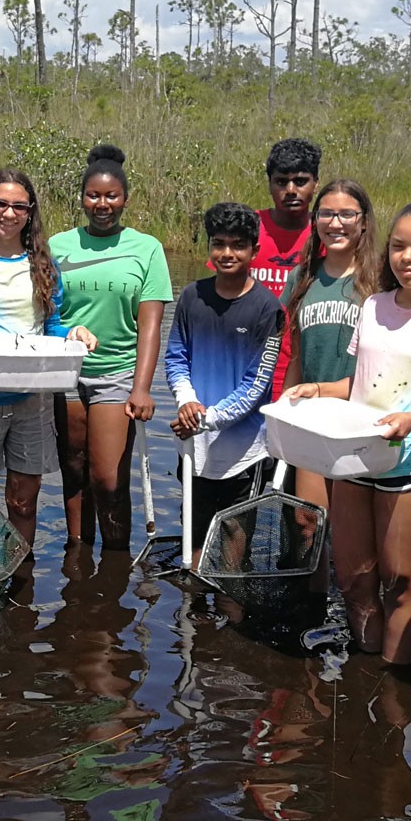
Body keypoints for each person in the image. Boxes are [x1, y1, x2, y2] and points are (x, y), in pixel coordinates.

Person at [285, 200, 411, 674]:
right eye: (398, 247)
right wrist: (317, 389)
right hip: (358, 457)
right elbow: (361, 384)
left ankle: (394, 684)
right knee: (354, 579)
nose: (406, 258)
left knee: (398, 583)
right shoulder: (374, 305)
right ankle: (363, 672)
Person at [0, 169, 97, 549]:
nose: (9, 213)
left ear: (30, 212)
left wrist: (74, 334)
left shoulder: (44, 265)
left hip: (33, 398)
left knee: (23, 501)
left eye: (19, 206)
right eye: (0, 204)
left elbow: (52, 327)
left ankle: (21, 571)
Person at [51, 144, 172, 553]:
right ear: (82, 198)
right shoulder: (58, 245)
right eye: (93, 195)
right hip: (64, 371)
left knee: (107, 478)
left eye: (111, 196)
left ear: (125, 199)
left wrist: (142, 388)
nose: (102, 205)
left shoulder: (147, 248)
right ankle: (78, 555)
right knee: (73, 469)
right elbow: (44, 312)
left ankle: (117, 558)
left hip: (117, 373)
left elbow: (150, 327)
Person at [165, 203, 285, 558]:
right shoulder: (191, 296)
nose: (227, 253)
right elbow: (176, 358)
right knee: (193, 544)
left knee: (235, 551)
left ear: (254, 250)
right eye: (218, 243)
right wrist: (187, 401)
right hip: (193, 448)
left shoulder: (268, 308)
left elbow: (256, 385)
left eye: (238, 245)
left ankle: (231, 597)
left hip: (244, 454)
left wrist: (205, 418)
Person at [279, 180, 380, 563]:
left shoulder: (380, 281)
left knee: (353, 539)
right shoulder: (302, 278)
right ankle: (313, 598)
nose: (335, 223)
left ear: (364, 221)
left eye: (347, 214)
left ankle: (347, 600)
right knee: (308, 524)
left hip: (362, 423)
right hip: (313, 419)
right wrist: (283, 413)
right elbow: (297, 355)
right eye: (326, 214)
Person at [255, 138, 320, 398]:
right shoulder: (249, 227)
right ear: (269, 184)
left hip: (303, 373)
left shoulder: (329, 233)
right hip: (248, 367)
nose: (291, 190)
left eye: (300, 181)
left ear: (315, 183)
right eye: (281, 182)